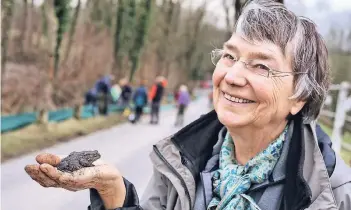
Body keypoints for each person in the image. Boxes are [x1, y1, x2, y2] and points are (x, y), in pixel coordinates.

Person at [25, 1, 351, 210]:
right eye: (229, 55)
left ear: (300, 97)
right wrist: (112, 191)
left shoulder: (336, 195)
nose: (232, 75)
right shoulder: (181, 160)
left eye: (261, 66)